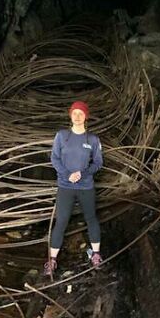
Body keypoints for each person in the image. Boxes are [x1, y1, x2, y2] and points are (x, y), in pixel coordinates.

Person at [44, 100, 103, 278]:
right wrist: (67, 174)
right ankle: (52, 260)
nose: (77, 116)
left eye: (81, 113)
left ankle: (96, 255)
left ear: (86, 117)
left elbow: (98, 163)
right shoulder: (62, 136)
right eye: (75, 113)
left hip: (86, 186)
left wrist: (82, 173)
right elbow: (54, 158)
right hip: (65, 185)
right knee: (61, 220)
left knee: (91, 218)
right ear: (70, 116)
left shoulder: (92, 139)